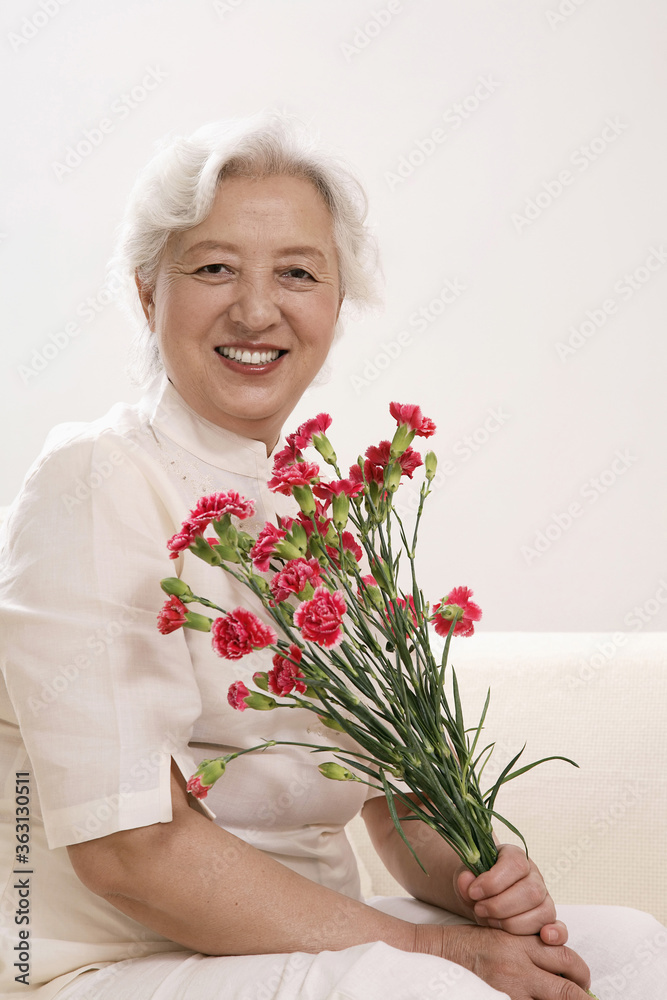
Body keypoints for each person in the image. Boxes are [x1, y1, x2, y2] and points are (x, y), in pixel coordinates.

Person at [0, 113, 664, 1000]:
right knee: (433, 991)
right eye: (214, 268)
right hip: (109, 962)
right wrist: (437, 954)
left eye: (298, 273)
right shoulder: (98, 478)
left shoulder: (318, 519)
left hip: (321, 941)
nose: (256, 310)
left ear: (337, 305)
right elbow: (131, 852)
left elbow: (395, 807)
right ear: (149, 293)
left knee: (630, 951)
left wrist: (480, 875)